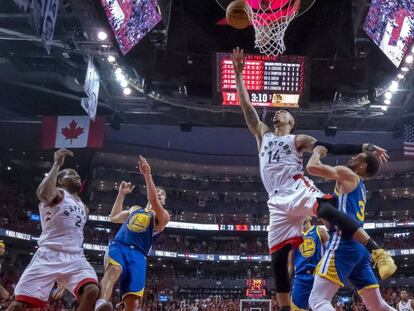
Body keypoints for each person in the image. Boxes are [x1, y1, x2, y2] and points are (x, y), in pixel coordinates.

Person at [231, 47, 396, 311]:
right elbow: (246, 106)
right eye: (275, 113)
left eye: (283, 113)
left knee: (327, 209)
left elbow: (327, 146)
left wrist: (363, 145)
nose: (277, 114)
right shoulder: (263, 135)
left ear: (292, 121)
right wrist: (239, 76)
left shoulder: (297, 139)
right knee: (277, 257)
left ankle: (376, 249)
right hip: (275, 201)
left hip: (295, 187)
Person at [6, 149, 112, 311]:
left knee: (92, 289)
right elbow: (42, 193)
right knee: (18, 305)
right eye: (71, 174)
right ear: (61, 181)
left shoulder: (84, 207)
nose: (77, 176)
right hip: (49, 254)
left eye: (77, 175)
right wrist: (56, 165)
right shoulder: (58, 194)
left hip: (75, 257)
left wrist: (64, 281)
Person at [307, 147, 397, 311]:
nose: (353, 156)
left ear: (362, 165)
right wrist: (370, 157)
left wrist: (317, 152)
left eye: (358, 156)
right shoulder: (360, 185)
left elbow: (312, 168)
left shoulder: (347, 174)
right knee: (377, 305)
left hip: (343, 243)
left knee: (318, 300)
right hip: (360, 249)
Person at [95, 156, 170, 311]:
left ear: (163, 201)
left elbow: (153, 201)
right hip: (120, 245)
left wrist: (147, 176)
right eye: (158, 192)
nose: (159, 194)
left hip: (139, 254)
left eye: (162, 194)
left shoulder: (163, 216)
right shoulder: (135, 209)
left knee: (132, 302)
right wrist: (121, 194)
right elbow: (114, 217)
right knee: (114, 270)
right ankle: (100, 305)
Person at [290, 217, 329, 311]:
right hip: (301, 277)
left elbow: (331, 254)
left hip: (318, 276)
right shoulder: (294, 237)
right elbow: (289, 265)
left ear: (310, 216)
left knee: (320, 306)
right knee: (295, 307)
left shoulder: (320, 231)